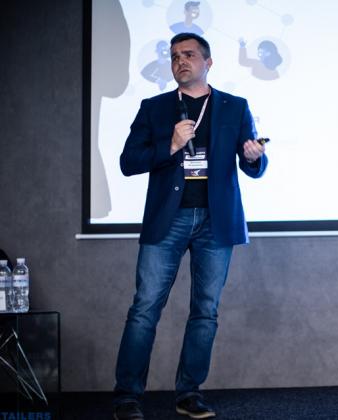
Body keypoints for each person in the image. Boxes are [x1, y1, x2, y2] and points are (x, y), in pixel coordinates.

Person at [113, 32, 268, 420]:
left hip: (216, 221)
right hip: (169, 218)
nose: (180, 61)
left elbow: (253, 165)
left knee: (205, 311)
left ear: (208, 63)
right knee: (144, 308)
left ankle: (189, 393)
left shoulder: (235, 106)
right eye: (174, 56)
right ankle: (127, 397)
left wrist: (253, 156)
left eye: (189, 55)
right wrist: (170, 144)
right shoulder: (155, 108)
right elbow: (128, 162)